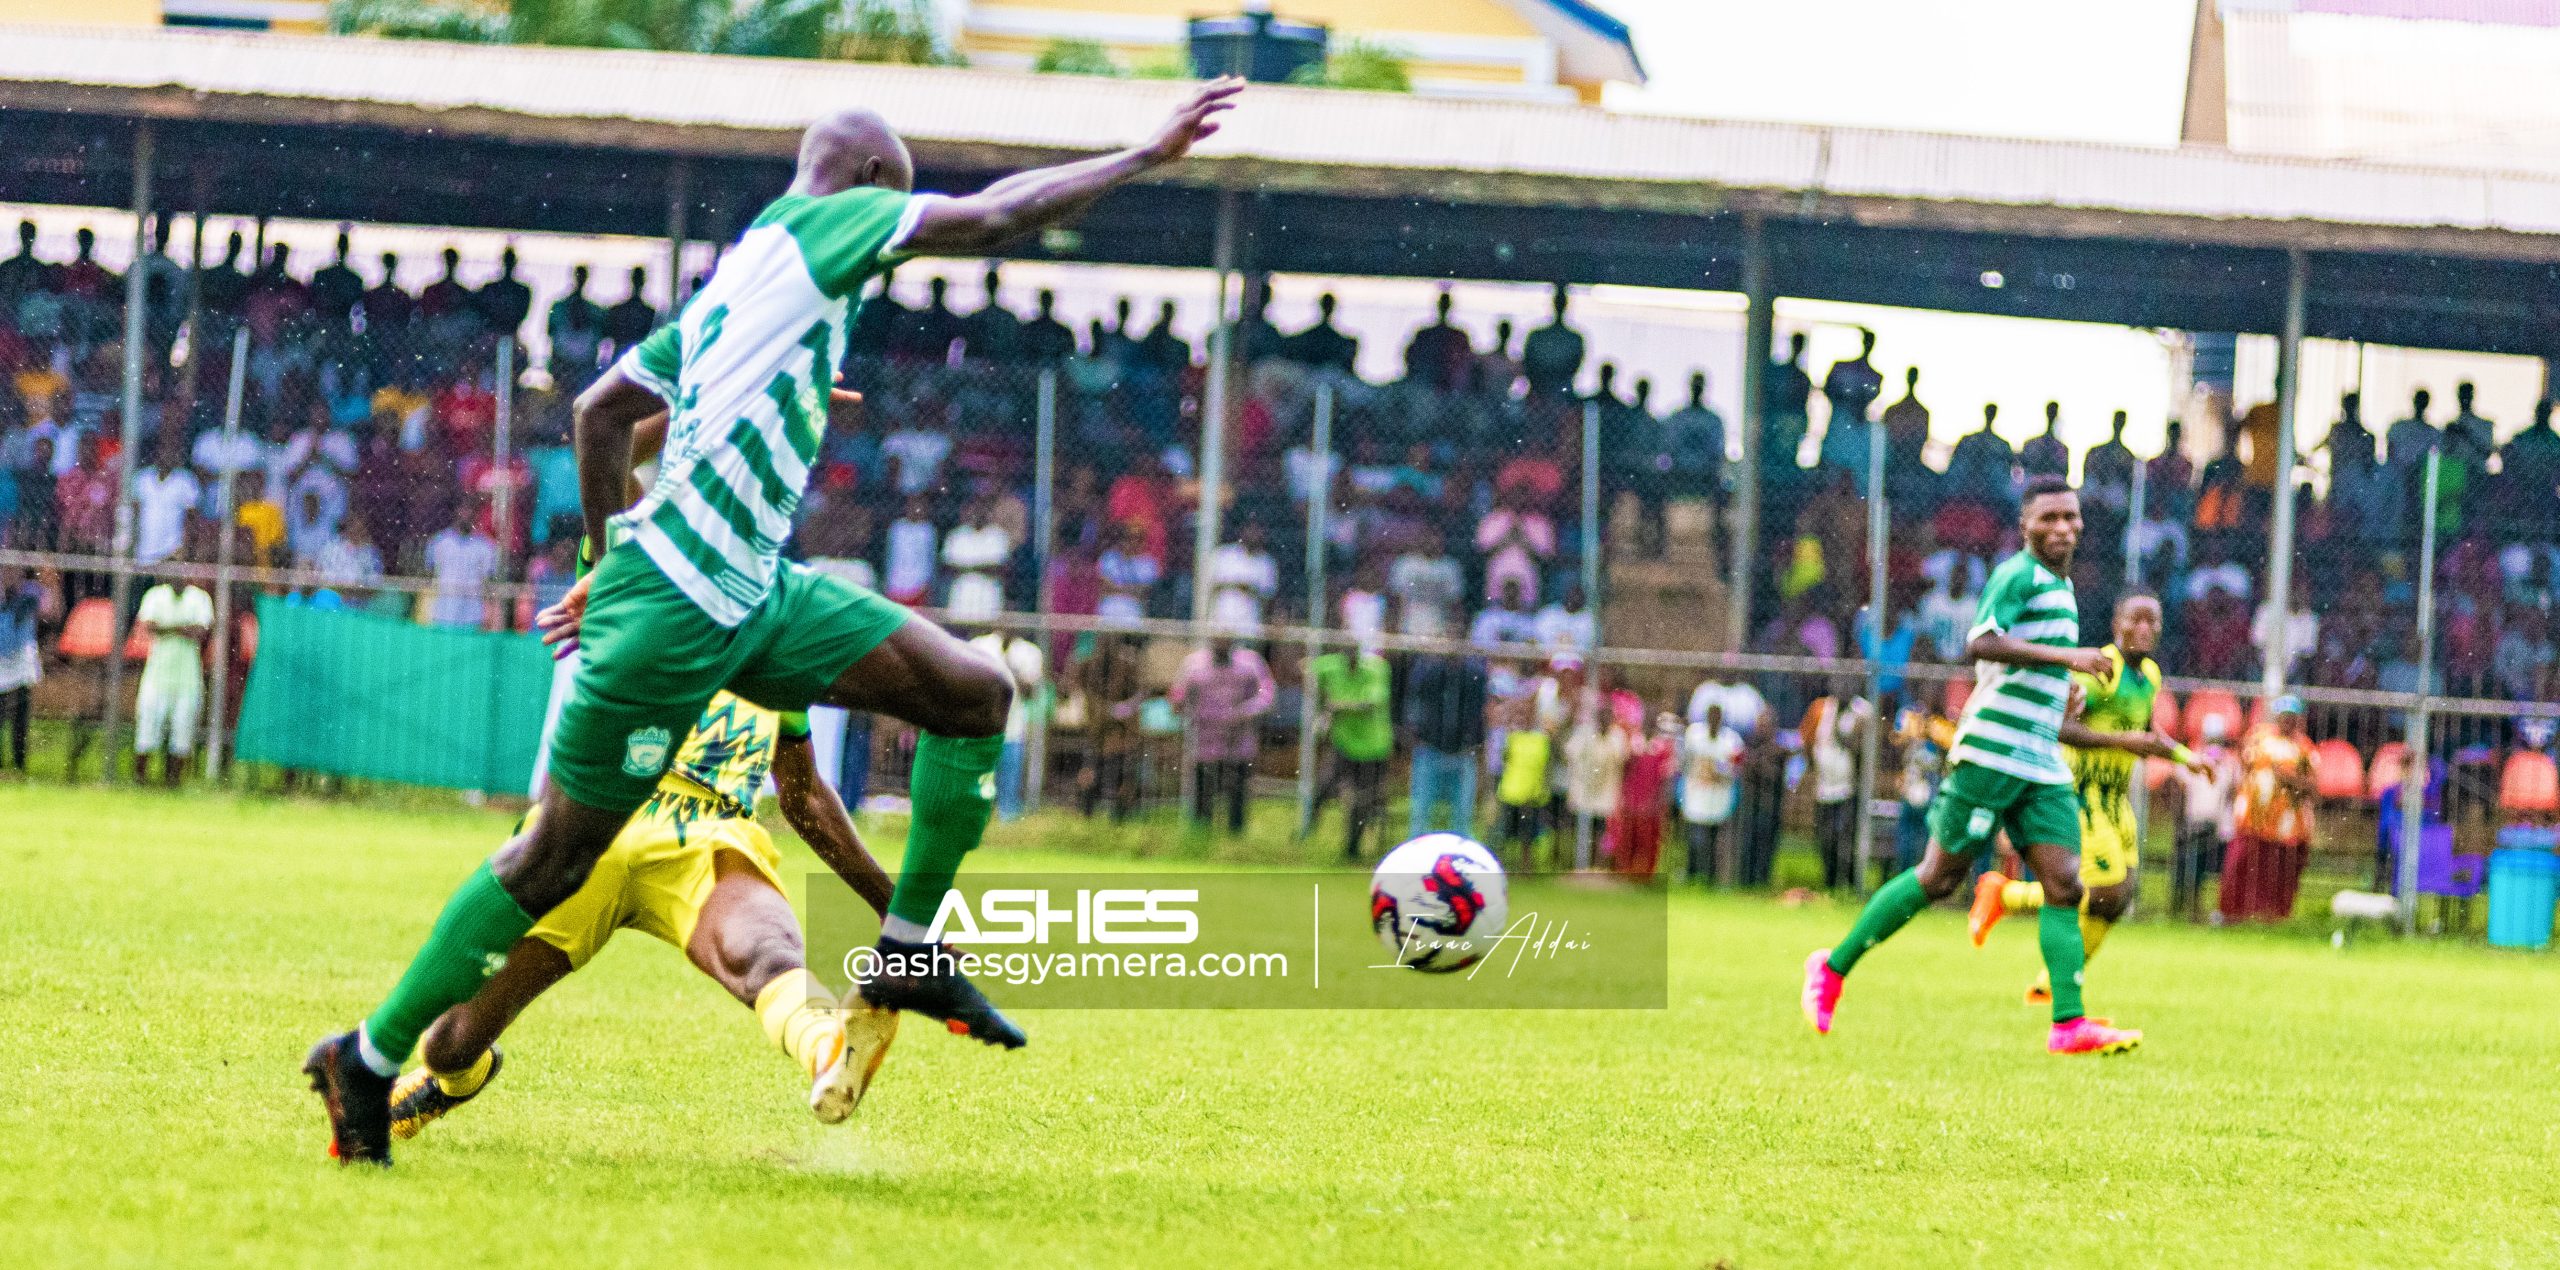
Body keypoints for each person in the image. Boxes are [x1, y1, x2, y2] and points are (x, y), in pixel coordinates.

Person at [306, 78, 1246, 1166]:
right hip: (673, 609)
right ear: (869, 183)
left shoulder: (741, 276)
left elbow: (603, 412)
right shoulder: (826, 223)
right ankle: (367, 1059)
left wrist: (614, 545)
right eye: (893, 201)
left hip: (752, 595)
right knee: (552, 860)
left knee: (973, 693)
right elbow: (991, 216)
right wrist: (1143, 154)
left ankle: (906, 954)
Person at [386, 693, 898, 1139]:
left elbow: (805, 794)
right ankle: (453, 1080)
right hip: (590, 824)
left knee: (765, 952)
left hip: (705, 829)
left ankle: (830, 1049)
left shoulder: (776, 648)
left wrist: (895, 911)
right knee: (448, 1048)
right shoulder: (638, 612)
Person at [1801, 475, 2142, 1056]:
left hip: (2040, 759)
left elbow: (2022, 665)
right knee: (1938, 877)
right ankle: (1831, 968)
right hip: (1991, 753)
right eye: (2049, 517)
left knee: (2064, 883)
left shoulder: (2061, 587)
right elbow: (1981, 642)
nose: (2062, 527)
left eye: (2070, 517)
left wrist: (2061, 692)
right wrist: (2068, 659)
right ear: (2025, 525)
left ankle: (2068, 1023)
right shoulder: (2017, 574)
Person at [1968, 593, 2209, 1000]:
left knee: (2117, 898)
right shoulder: (2100, 671)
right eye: (2136, 619)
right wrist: (2121, 741)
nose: (2144, 628)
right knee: (2102, 887)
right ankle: (2005, 894)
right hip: (2080, 793)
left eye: (2152, 620)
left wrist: (2188, 758)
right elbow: (2060, 727)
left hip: (2116, 798)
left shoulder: (2150, 675)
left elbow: (2145, 733)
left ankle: (2048, 987)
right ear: (2117, 624)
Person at [2220, 696, 2316, 924]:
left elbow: (2312, 786)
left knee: (2279, 872)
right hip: (2253, 819)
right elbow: (2244, 766)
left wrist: (2288, 778)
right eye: (2284, 717)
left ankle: (2273, 916)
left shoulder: (2304, 748)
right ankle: (2234, 914)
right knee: (2241, 866)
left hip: (2286, 824)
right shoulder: (2259, 738)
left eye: (2292, 718)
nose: (2287, 721)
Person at [1170, 631, 1275, 837]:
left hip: (1238, 740)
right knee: (1203, 791)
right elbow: (1178, 695)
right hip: (1205, 740)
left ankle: (1235, 837)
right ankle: (1200, 836)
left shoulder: (1250, 663)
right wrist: (1181, 705)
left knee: (1237, 791)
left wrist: (1244, 712)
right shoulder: (1194, 664)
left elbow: (1267, 696)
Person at [1306, 639, 1392, 860]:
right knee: (1323, 786)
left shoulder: (1376, 669)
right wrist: (1323, 704)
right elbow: (1307, 668)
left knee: (1362, 801)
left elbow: (1371, 704)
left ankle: (1353, 849)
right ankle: (1308, 830)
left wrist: (1337, 706)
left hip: (1372, 747)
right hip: (1344, 742)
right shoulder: (1332, 665)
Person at [133, 563, 213, 787]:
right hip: (157, 674)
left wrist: (168, 628)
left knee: (183, 729)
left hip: (187, 676)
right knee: (148, 726)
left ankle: (173, 782)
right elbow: (149, 626)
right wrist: (182, 628)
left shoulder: (199, 598)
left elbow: (201, 631)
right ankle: (141, 780)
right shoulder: (155, 595)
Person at [1406, 650, 1488, 839]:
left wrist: (1475, 740)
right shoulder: (1428, 670)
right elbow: (1414, 702)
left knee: (1462, 818)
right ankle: (1419, 855)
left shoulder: (1474, 674)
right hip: (1430, 751)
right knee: (1420, 816)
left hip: (1463, 753)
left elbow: (1480, 710)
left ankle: (1458, 856)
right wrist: (1417, 731)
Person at [1802, 680, 1873, 890]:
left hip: (1848, 787)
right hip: (1824, 786)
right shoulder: (1821, 708)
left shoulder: (1861, 711)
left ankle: (1850, 882)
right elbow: (1807, 739)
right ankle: (1830, 881)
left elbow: (1865, 745)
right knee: (1825, 836)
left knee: (1846, 837)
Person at [1678, 702, 1742, 884]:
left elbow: (1734, 768)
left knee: (1714, 838)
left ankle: (1711, 875)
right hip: (1697, 793)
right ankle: (1692, 871)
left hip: (1718, 795)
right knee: (1695, 836)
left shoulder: (1731, 740)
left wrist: (1718, 771)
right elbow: (1685, 762)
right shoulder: (1694, 735)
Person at [1610, 712, 1677, 878]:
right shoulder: (1633, 743)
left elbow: (1665, 778)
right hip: (1631, 802)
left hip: (1651, 805)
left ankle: (1645, 874)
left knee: (1648, 842)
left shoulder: (1662, 747)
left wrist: (1659, 802)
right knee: (1628, 840)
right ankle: (1625, 871)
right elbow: (1623, 771)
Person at [1492, 692, 1553, 870]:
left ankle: (1525, 867)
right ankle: (1502, 865)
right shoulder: (1511, 738)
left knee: (1528, 836)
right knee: (1505, 832)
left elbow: (1545, 766)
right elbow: (1503, 761)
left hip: (1533, 793)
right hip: (1511, 792)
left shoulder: (1541, 739)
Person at [424, 502, 498, 629]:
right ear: (456, 513)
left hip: (473, 614)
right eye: (463, 511)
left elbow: (489, 579)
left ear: (476, 516)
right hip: (444, 611)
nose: (466, 515)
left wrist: (489, 613)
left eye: (470, 512)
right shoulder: (439, 541)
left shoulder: (485, 546)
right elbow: (428, 572)